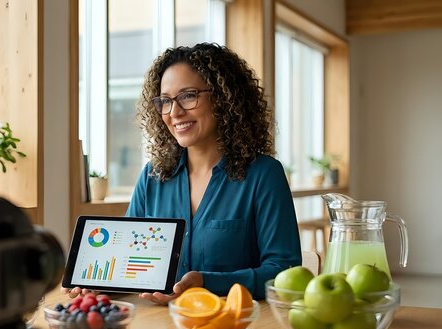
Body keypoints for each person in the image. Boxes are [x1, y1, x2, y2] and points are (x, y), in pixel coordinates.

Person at [66, 43, 301, 304]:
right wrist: (101, 285)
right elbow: (127, 266)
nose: (174, 112)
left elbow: (284, 273)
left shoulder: (263, 175)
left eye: (188, 96)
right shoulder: (152, 177)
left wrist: (206, 282)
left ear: (224, 98)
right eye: (165, 101)